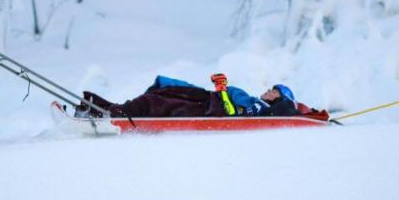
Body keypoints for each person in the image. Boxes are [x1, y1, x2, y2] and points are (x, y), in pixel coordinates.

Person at [74, 74, 309, 119]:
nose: (268, 90)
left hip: (206, 108)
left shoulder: (261, 110)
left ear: (280, 100)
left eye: (274, 92)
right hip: (205, 98)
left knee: (154, 102)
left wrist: (222, 90)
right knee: (162, 89)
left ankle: (108, 115)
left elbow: (230, 113)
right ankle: (99, 106)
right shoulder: (255, 101)